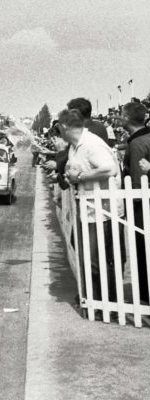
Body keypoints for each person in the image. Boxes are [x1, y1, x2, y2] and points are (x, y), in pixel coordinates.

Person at [58, 108, 124, 303]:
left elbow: (109, 168)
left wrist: (79, 176)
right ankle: (93, 296)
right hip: (88, 208)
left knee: (95, 258)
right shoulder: (75, 146)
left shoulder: (91, 144)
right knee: (86, 254)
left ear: (64, 126)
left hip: (101, 211)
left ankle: (103, 299)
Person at [121, 101, 150, 302]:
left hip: (142, 208)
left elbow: (139, 183)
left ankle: (145, 295)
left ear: (127, 119)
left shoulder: (137, 143)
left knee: (142, 250)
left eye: (121, 115)